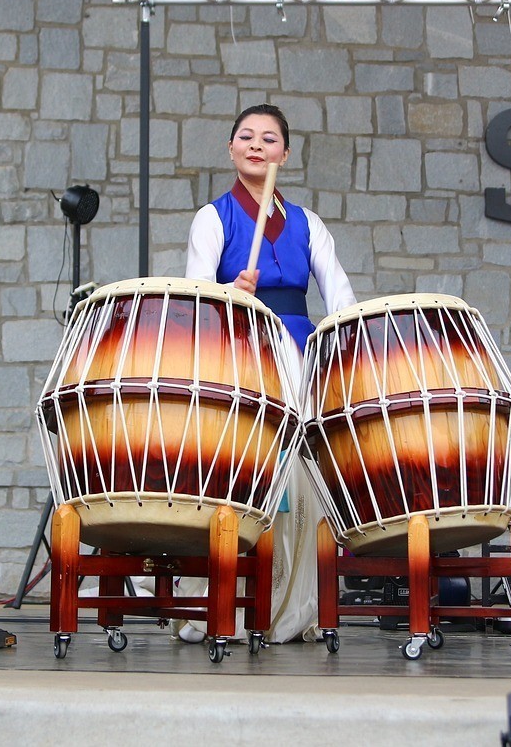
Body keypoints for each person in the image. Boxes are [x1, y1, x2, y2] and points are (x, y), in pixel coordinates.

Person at [180, 103, 357, 643]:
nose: (257, 146)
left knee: (301, 473)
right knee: (242, 470)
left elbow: (342, 298)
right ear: (231, 148)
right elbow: (192, 297)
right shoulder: (213, 218)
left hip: (299, 353)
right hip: (239, 350)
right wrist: (229, 295)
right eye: (247, 137)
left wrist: (343, 345)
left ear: (285, 152)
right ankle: (223, 601)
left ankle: (288, 601)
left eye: (269, 138)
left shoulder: (308, 223)